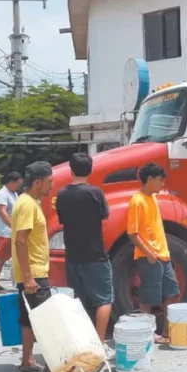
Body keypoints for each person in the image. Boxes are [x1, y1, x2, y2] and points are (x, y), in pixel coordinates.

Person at [56, 153, 115, 359]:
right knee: (104, 300)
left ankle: (81, 342)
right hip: (95, 255)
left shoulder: (62, 194)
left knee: (80, 301)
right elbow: (105, 215)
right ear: (91, 170)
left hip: (72, 255)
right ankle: (98, 345)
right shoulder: (95, 193)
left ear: (70, 169)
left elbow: (62, 219)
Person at [127, 162, 180, 344]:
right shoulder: (137, 201)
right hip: (148, 257)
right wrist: (149, 253)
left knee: (172, 293)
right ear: (149, 179)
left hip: (163, 255)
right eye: (159, 180)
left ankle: (167, 332)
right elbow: (132, 233)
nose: (162, 184)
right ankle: (147, 335)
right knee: (148, 299)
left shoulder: (152, 198)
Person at [13, 161, 55, 372]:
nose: (52, 186)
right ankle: (52, 369)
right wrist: (29, 277)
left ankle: (27, 363)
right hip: (34, 274)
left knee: (29, 320)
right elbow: (21, 241)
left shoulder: (28, 201)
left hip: (30, 273)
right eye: (49, 182)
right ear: (37, 182)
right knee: (47, 321)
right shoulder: (28, 204)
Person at [0, 172, 22, 294]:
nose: (18, 186)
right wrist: (12, 226)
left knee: (18, 257)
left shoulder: (14, 193)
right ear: (11, 182)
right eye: (17, 184)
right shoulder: (2, 194)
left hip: (13, 230)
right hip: (5, 232)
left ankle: (18, 281)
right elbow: (3, 212)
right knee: (1, 258)